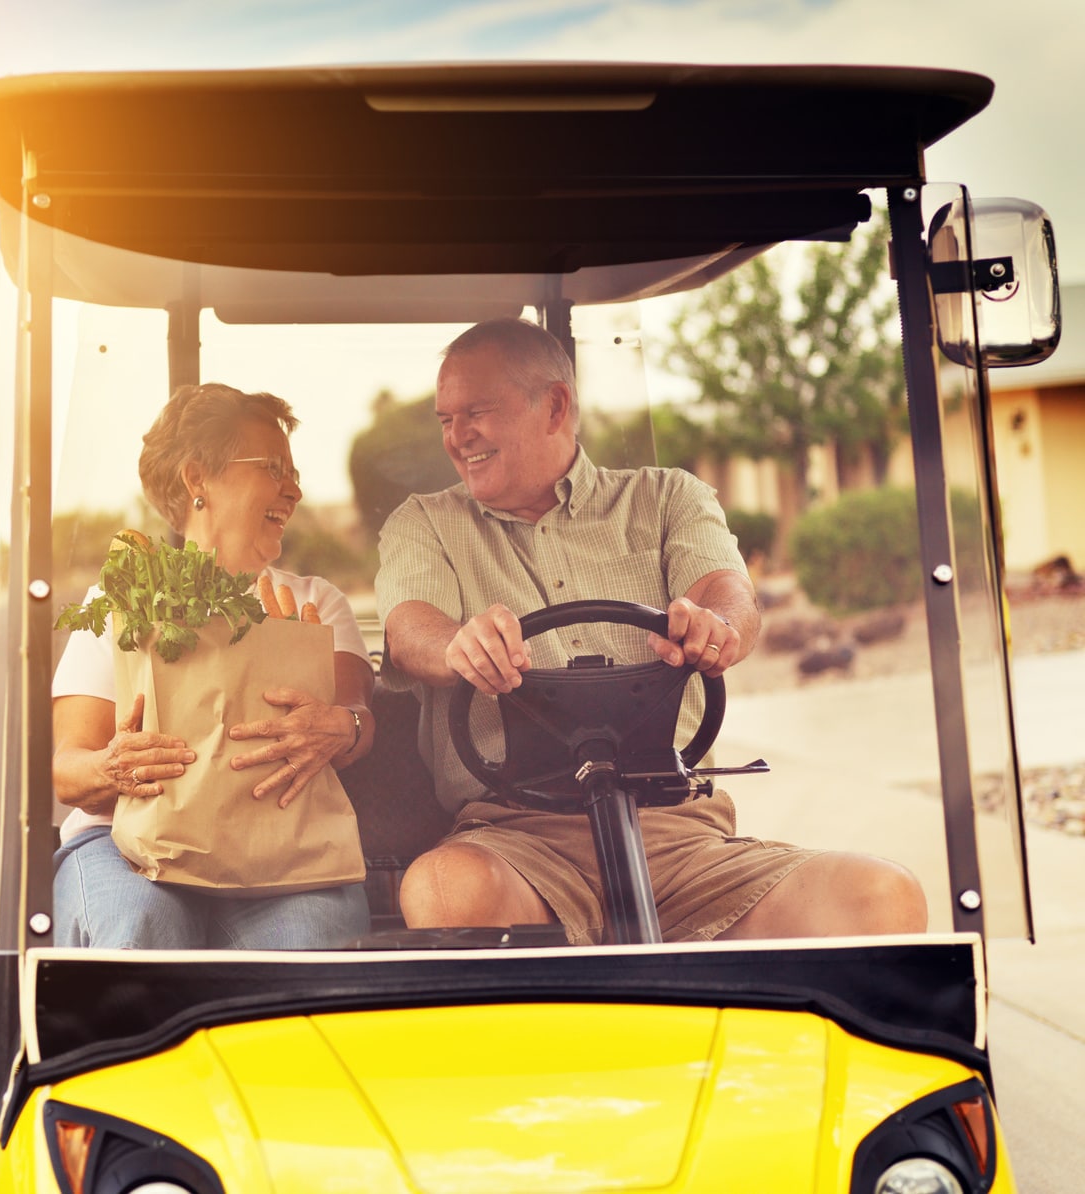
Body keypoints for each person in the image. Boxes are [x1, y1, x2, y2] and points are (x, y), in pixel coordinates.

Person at [375, 317, 927, 943]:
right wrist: (456, 645)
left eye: (476, 412)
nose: (457, 437)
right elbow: (408, 628)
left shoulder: (668, 499)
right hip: (516, 840)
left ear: (554, 405)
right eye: (446, 420)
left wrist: (718, 627)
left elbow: (726, 593)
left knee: (882, 896)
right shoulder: (426, 523)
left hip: (682, 837)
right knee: (444, 890)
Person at [51, 382, 375, 949]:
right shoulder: (124, 603)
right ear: (198, 479)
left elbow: (358, 718)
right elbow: (67, 770)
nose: (294, 489)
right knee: (138, 927)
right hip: (123, 839)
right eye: (274, 467)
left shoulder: (316, 604)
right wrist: (112, 768)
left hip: (281, 841)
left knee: (310, 939)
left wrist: (339, 726)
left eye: (294, 472)